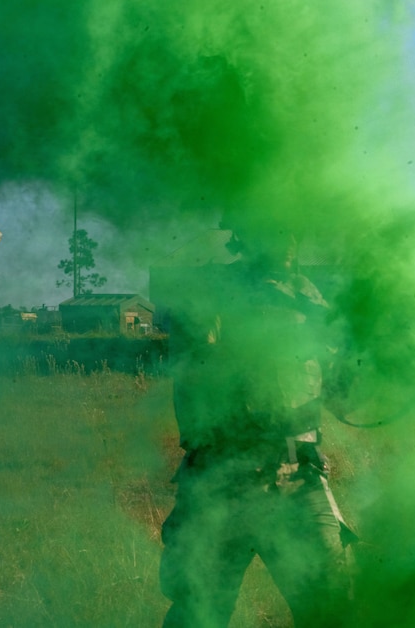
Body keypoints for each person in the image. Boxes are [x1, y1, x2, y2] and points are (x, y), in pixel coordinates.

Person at [159, 229, 354, 628]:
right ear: (246, 235)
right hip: (221, 480)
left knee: (330, 607)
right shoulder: (214, 288)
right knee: (199, 613)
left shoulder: (306, 293)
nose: (288, 242)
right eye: (272, 228)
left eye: (291, 231)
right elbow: (199, 368)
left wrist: (356, 345)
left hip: (298, 478)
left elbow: (339, 394)